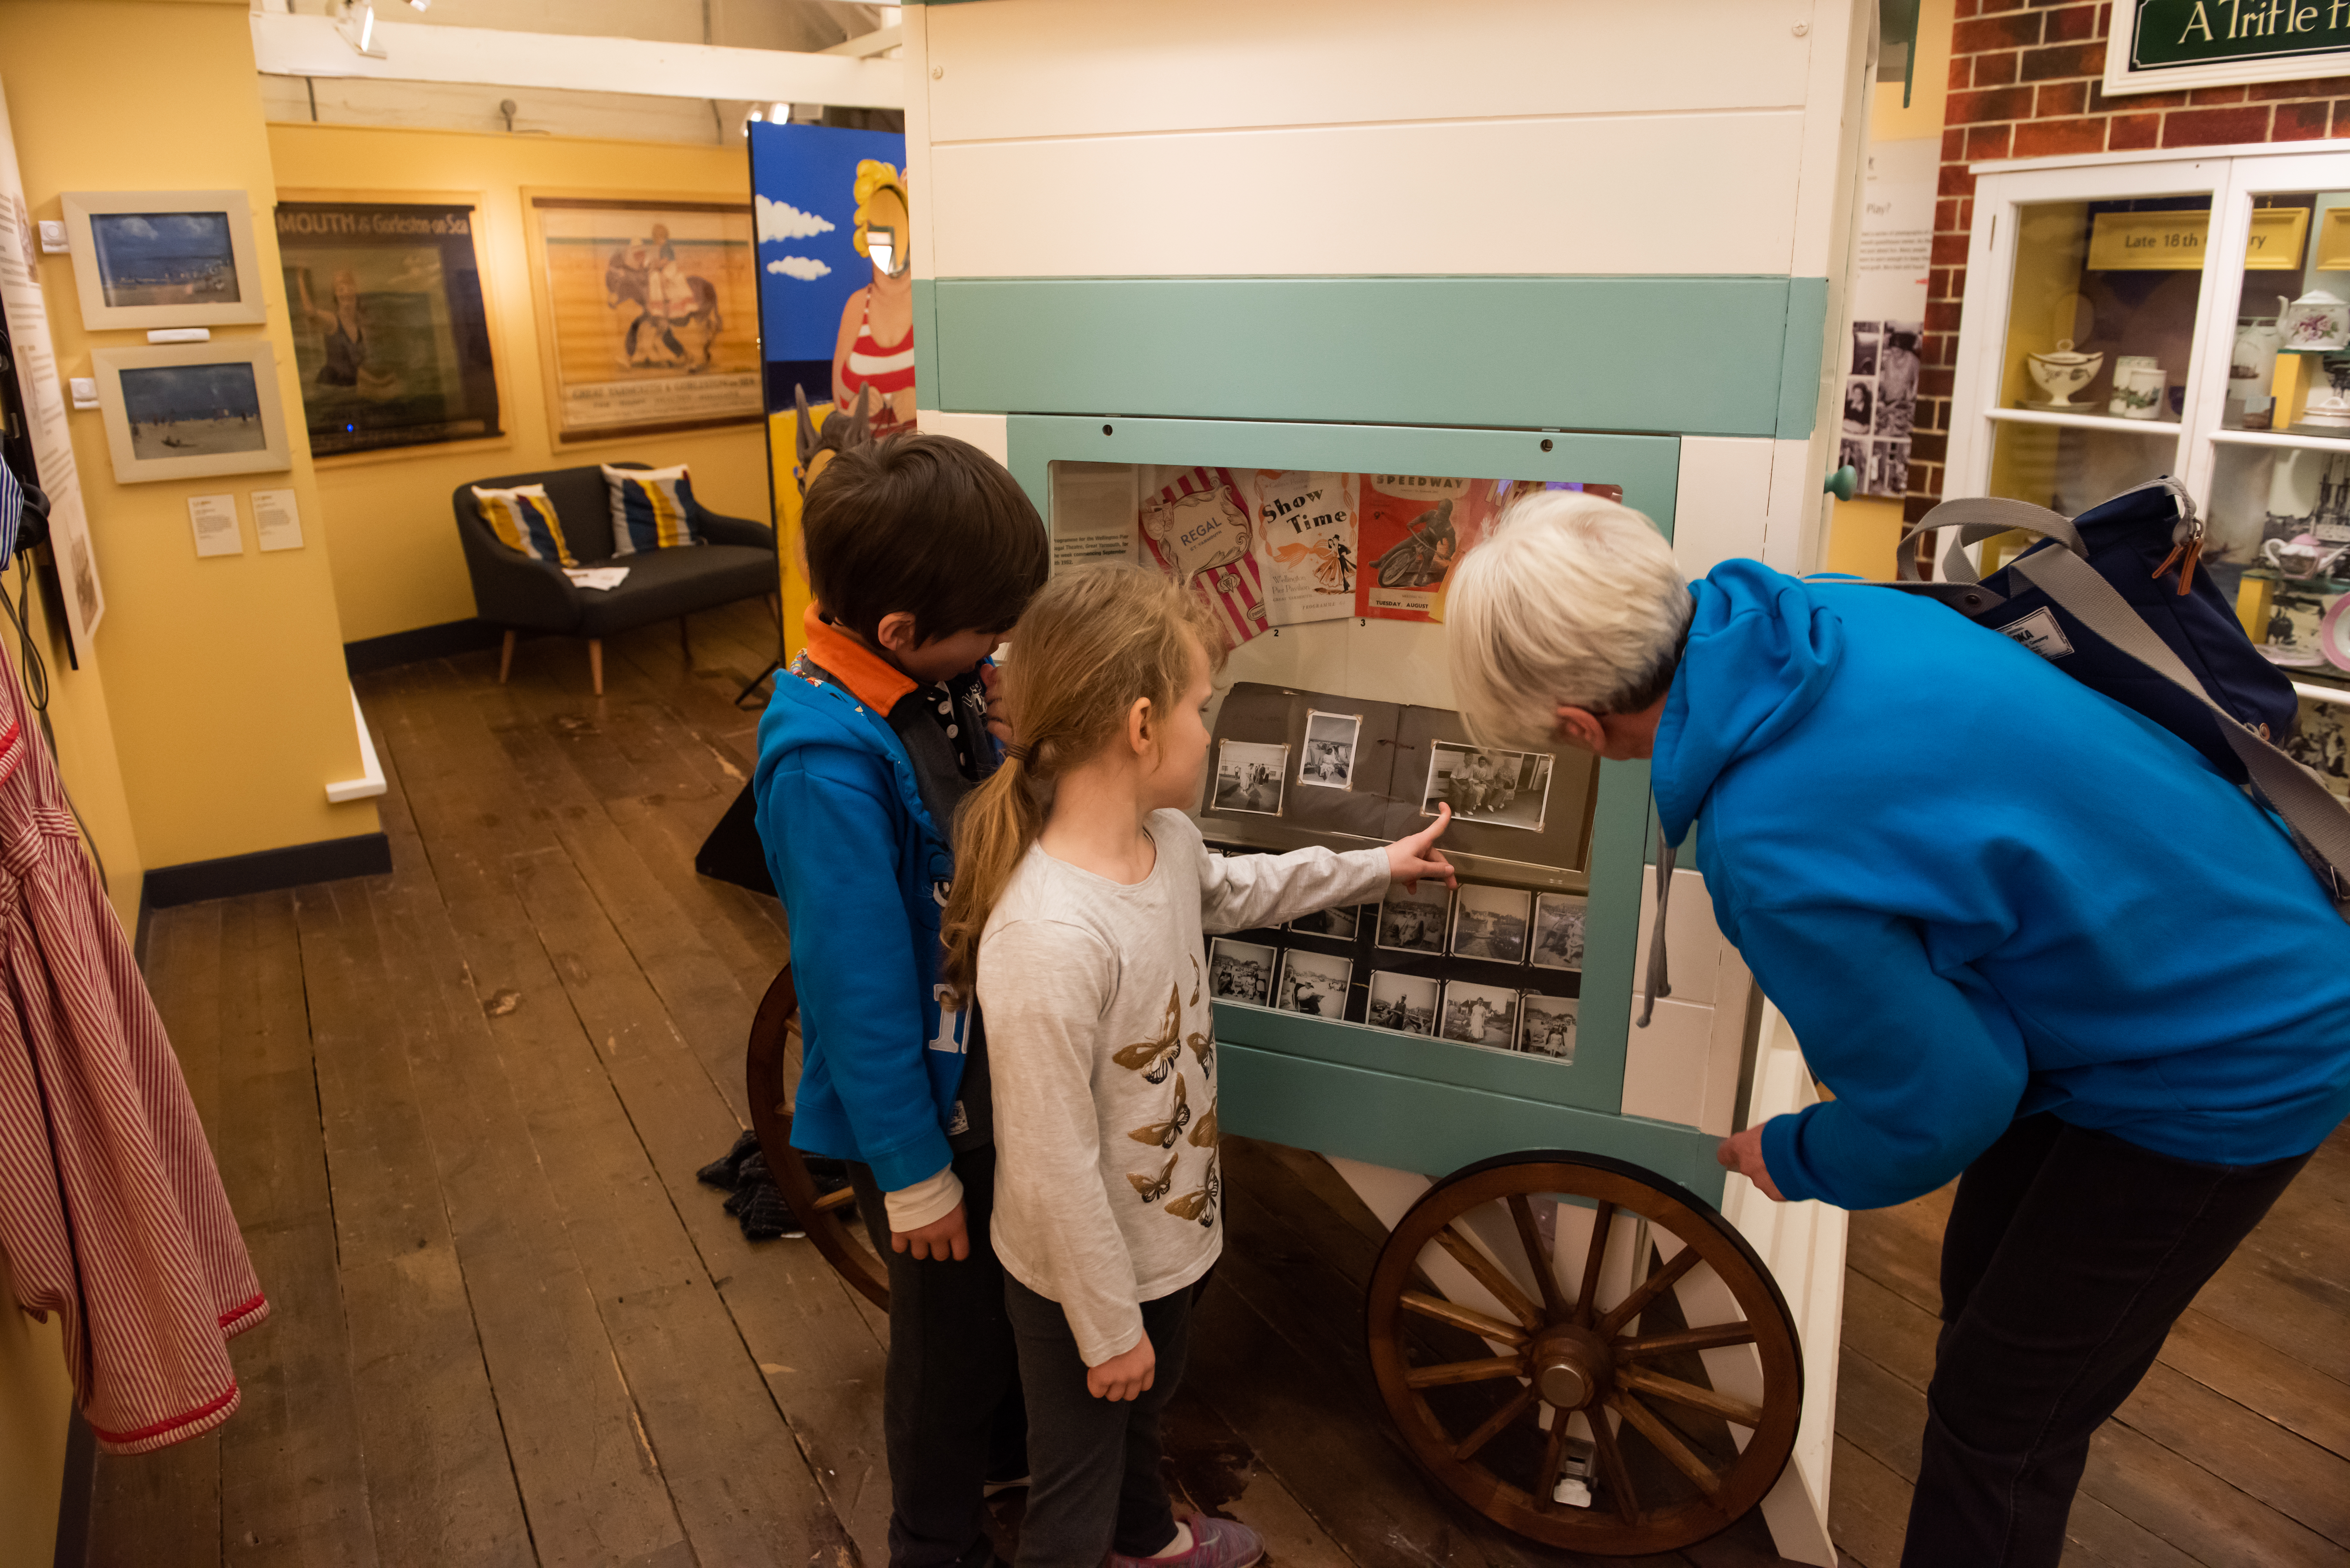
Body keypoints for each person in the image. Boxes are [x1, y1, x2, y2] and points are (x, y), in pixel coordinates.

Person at [1444, 490, 2350, 1568]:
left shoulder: (1769, 842)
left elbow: (1950, 1100)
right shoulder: (1831, 614)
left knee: (2002, 1426)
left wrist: (1793, 1154)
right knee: (1983, 1312)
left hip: (2237, 1047)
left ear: (1583, 729)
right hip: (2216, 937)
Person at [939, 565, 1456, 1568]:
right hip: (1080, 1284)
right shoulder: (1047, 937)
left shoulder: (1163, 840)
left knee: (1145, 1416)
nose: (1208, 730)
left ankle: (1151, 1542)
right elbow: (1049, 1171)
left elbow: (1234, 889)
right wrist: (1102, 1328)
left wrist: (1377, 867)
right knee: (1073, 1497)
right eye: (1199, 706)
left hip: (1170, 1238)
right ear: (1141, 727)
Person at [752, 433, 1050, 1568]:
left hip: (976, 1067)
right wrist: (914, 1176)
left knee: (1002, 1300)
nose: (999, 653)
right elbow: (857, 992)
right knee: (946, 1341)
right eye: (990, 635)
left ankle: (1009, 1454)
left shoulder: (937, 683)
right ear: (898, 636)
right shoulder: (826, 763)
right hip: (911, 1114)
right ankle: (932, 1537)